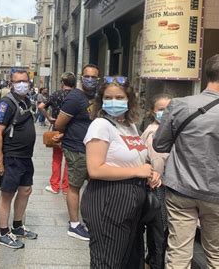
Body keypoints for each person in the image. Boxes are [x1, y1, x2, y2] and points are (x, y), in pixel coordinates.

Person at [153, 53, 219, 269]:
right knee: (217, 253)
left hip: (180, 190)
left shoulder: (178, 105)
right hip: (217, 194)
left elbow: (159, 145)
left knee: (178, 252)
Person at [81, 76, 159, 268]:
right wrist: (137, 171)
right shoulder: (100, 126)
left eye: (119, 97)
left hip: (131, 203)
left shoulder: (129, 126)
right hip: (109, 200)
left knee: (129, 261)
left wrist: (150, 172)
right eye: (108, 97)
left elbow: (137, 159)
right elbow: (95, 169)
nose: (113, 102)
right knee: (108, 262)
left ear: (129, 100)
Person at [54, 64, 100, 241]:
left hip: (93, 149)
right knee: (75, 185)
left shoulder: (97, 97)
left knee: (93, 185)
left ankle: (89, 219)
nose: (90, 79)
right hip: (76, 148)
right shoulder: (75, 97)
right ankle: (74, 225)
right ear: (82, 78)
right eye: (87, 76)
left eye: (93, 77)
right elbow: (59, 124)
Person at [0, 69, 37, 249]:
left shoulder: (26, 100)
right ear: (11, 83)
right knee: (7, 194)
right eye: (18, 81)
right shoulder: (6, 103)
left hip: (26, 156)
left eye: (25, 81)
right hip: (11, 156)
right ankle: (3, 233)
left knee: (25, 190)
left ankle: (17, 226)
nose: (22, 84)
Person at [140, 93, 172, 269]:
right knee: (159, 234)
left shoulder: (163, 130)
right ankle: (154, 264)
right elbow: (158, 163)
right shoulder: (155, 132)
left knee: (157, 234)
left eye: (169, 109)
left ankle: (150, 262)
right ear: (153, 111)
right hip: (158, 188)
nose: (165, 113)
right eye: (161, 109)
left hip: (156, 187)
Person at [38, 72, 76, 195]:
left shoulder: (56, 94)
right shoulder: (76, 95)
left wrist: (49, 117)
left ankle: (55, 185)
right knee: (69, 160)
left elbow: (41, 107)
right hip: (72, 131)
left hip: (57, 129)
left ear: (62, 83)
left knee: (57, 158)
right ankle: (66, 187)